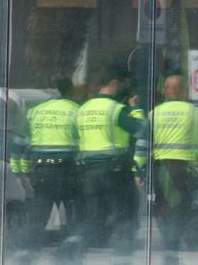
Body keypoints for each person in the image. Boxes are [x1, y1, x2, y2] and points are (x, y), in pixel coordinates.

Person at [137, 75, 198, 265]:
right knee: (180, 210)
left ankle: (170, 248)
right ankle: (171, 250)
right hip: (185, 171)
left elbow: (142, 144)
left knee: (162, 210)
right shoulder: (196, 113)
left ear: (166, 91)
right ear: (183, 91)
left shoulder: (154, 114)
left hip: (161, 170)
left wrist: (138, 170)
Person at [70, 67, 145, 264]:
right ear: (113, 83)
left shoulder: (82, 110)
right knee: (123, 216)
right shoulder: (116, 110)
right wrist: (135, 108)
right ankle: (121, 259)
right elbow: (141, 130)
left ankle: (73, 243)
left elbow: (76, 139)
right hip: (114, 171)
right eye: (120, 84)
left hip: (88, 171)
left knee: (93, 216)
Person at [11, 77, 81, 264]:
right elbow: (83, 144)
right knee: (74, 217)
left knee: (38, 218)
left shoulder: (33, 112)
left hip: (42, 171)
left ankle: (26, 256)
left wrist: (21, 173)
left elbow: (18, 145)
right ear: (69, 91)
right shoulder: (75, 110)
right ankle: (68, 257)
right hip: (68, 170)